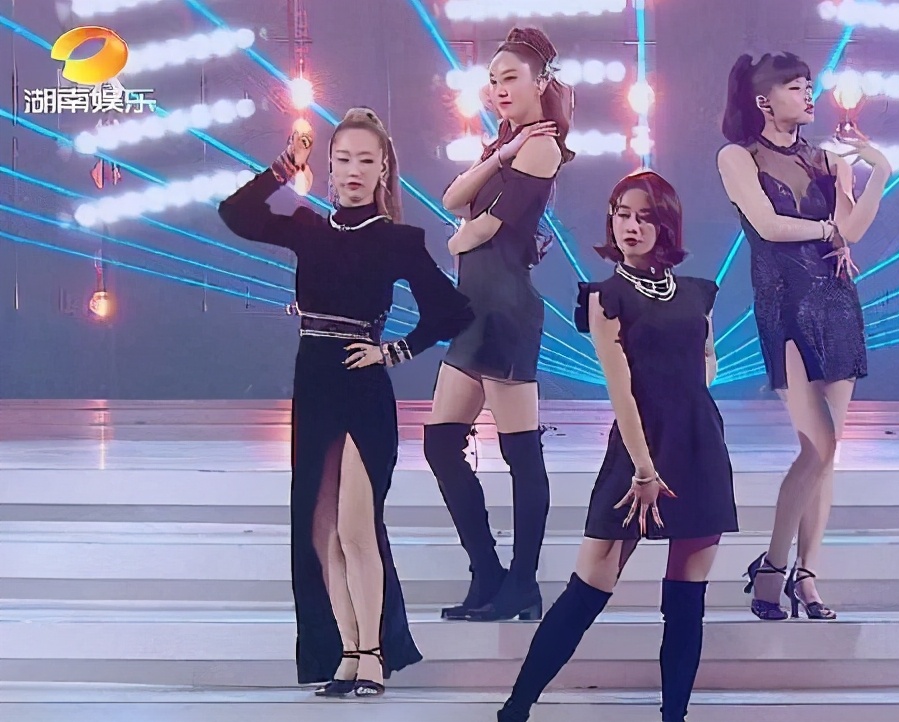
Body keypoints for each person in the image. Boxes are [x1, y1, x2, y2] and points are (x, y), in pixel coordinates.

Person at [217, 108, 473, 696]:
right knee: (321, 532)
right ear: (329, 167)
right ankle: (346, 653)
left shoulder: (399, 240)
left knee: (357, 528)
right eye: (343, 159)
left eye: (366, 159)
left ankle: (374, 655)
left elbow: (451, 310)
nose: (354, 170)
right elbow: (234, 214)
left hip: (362, 389)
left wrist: (395, 352)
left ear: (384, 169)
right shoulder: (309, 228)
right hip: (314, 383)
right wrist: (284, 167)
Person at [496, 170, 737, 722]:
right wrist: (644, 468)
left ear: (665, 224)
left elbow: (707, 357)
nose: (631, 226)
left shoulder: (698, 292)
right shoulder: (606, 297)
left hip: (699, 444)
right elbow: (620, 388)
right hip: (638, 450)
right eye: (622, 214)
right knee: (588, 588)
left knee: (686, 603)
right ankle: (516, 708)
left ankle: (673, 716)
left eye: (644, 216)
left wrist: (690, 387)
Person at [716, 51, 890, 620]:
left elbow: (853, 231)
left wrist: (878, 172)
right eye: (795, 87)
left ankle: (806, 574)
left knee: (826, 453)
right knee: (818, 444)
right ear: (763, 100)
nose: (808, 95)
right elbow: (768, 226)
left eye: (809, 85)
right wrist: (826, 229)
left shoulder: (827, 159)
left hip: (837, 304)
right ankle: (771, 563)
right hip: (785, 305)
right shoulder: (738, 157)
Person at [424, 26, 574, 623]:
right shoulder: (512, 144)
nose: (499, 89)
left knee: (520, 452)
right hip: (475, 309)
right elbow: (451, 196)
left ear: (540, 84)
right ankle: (487, 571)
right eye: (492, 80)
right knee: (441, 444)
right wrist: (499, 155)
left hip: (505, 310)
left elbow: (482, 225)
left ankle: (522, 583)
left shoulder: (545, 145)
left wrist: (457, 239)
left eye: (511, 77)